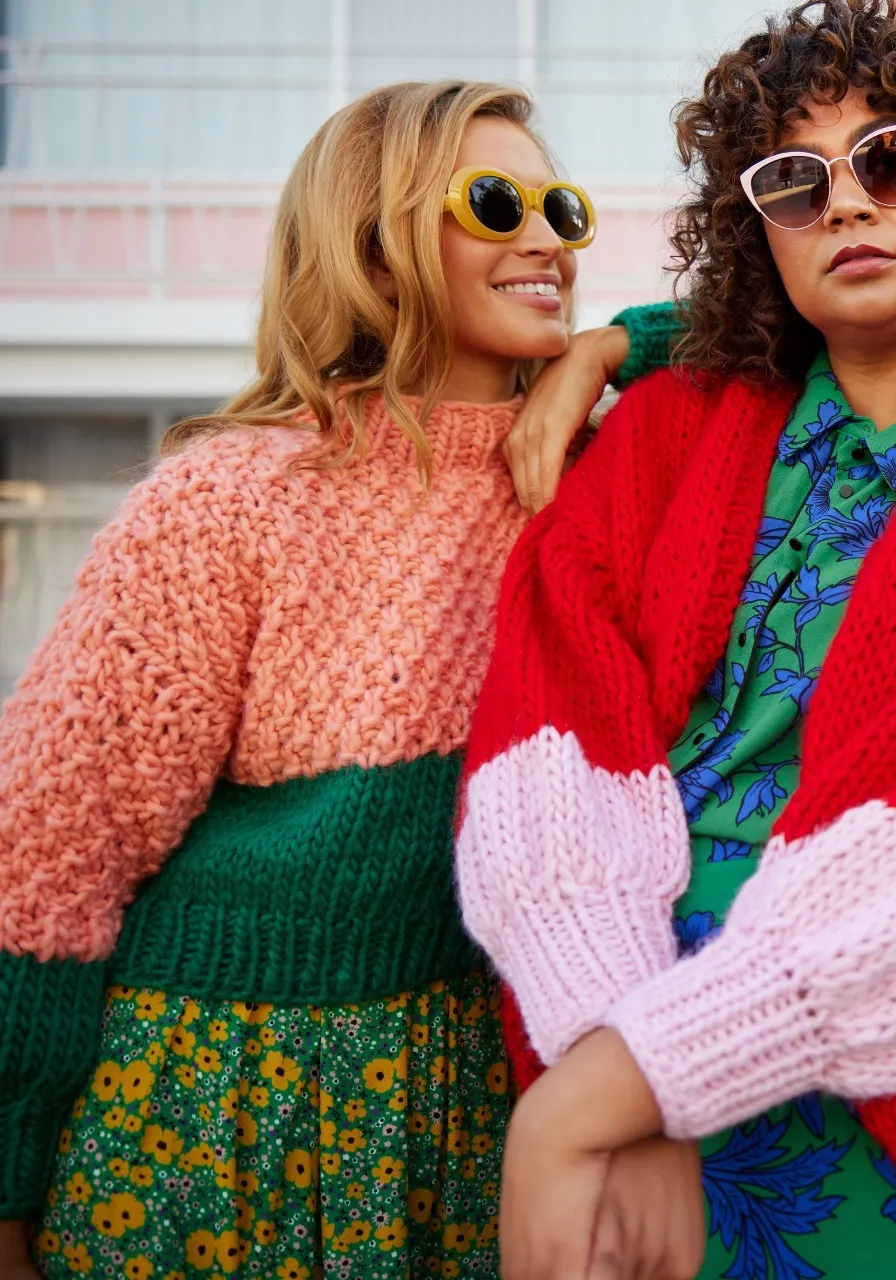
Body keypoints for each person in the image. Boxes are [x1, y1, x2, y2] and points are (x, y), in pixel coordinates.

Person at [452, 3, 896, 1277]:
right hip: (608, 1080)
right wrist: (610, 1071)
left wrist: (614, 1091)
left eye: (890, 160)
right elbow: (538, 762)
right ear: (757, 235)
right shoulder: (659, 438)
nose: (845, 204)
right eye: (794, 182)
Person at [0, 80, 603, 1279]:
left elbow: (789, 340)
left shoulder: (600, 480)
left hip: (474, 1111)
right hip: (213, 1108)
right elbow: (47, 857)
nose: (548, 240)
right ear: (378, 253)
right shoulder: (229, 501)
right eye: (496, 203)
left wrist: (619, 345)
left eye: (561, 206)